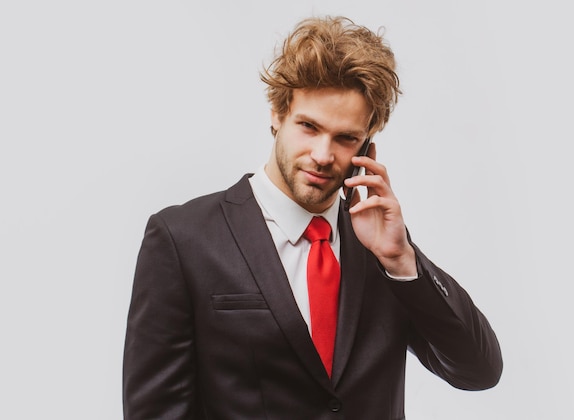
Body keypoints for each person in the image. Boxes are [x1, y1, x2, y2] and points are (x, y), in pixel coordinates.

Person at [123, 16, 503, 419]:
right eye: (309, 127)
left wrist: (400, 260)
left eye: (345, 138)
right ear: (276, 113)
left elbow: (478, 371)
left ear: (367, 145)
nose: (323, 155)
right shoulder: (183, 239)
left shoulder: (382, 248)